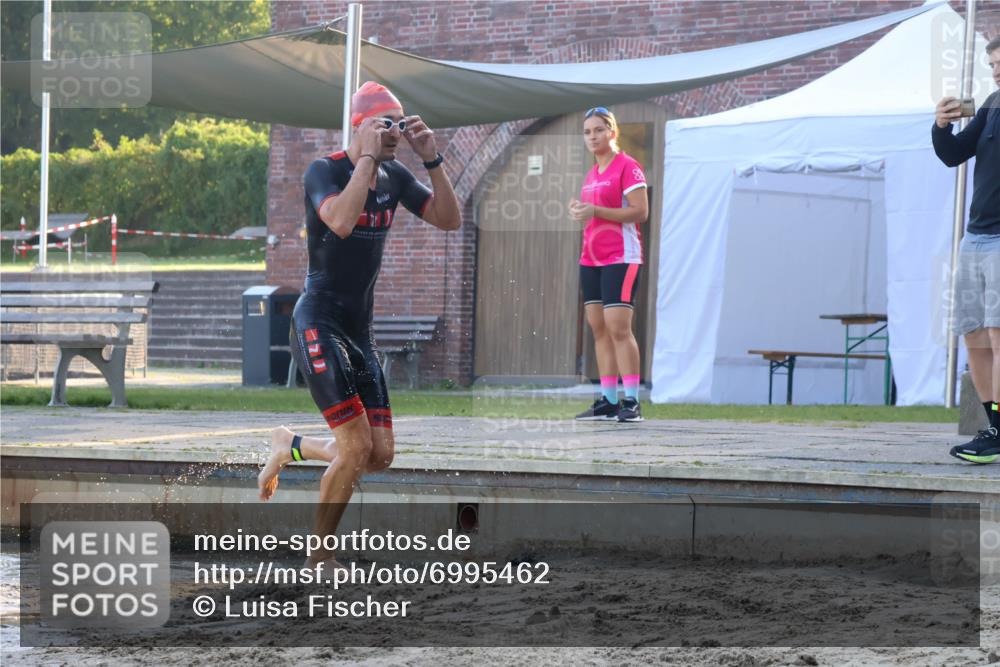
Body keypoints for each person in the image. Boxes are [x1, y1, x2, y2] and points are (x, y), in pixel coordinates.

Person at [257, 81, 461, 563]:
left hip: (358, 331)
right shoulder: (324, 170)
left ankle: (290, 445)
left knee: (379, 453)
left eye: (399, 121)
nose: (394, 131)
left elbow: (449, 219)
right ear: (360, 125)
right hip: (318, 322)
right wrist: (366, 160)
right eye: (383, 123)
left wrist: (431, 158)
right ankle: (319, 557)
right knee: (353, 448)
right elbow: (342, 222)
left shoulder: (395, 177)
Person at [934, 36, 1000, 464]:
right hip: (975, 237)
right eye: (994, 62)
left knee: (998, 333)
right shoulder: (993, 102)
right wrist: (941, 126)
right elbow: (953, 154)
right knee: (973, 334)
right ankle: (994, 429)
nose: (998, 69)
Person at [570, 106, 649, 422]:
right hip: (591, 259)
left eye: (599, 130)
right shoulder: (591, 174)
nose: (593, 136)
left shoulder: (628, 166)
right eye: (587, 132)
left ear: (612, 132)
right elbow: (593, 211)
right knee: (598, 328)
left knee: (618, 327)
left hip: (621, 257)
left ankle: (632, 401)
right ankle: (609, 399)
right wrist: (580, 210)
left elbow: (640, 211)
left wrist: (595, 211)